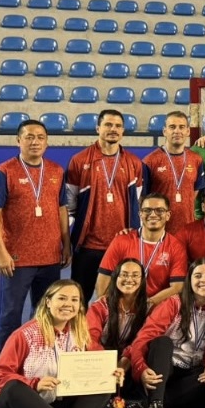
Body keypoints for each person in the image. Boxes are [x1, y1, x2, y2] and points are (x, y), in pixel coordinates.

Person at [0, 280, 118, 408]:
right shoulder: (24, 335)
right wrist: (35, 383)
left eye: (74, 300)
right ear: (48, 302)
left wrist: (112, 371)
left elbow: (99, 360)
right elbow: (0, 375)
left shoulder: (80, 333)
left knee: (106, 381)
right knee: (13, 387)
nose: (68, 304)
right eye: (62, 298)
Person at [0, 120, 71, 361]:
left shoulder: (56, 171)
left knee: (44, 313)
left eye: (40, 137)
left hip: (50, 258)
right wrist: (0, 252)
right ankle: (3, 364)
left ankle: (37, 360)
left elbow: (62, 208)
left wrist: (66, 243)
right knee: (8, 314)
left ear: (47, 141)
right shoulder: (4, 171)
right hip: (16, 259)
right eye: (29, 137)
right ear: (18, 141)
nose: (35, 141)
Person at [126, 259, 205, 408]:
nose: (203, 280)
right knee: (162, 342)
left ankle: (154, 399)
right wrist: (141, 369)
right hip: (165, 369)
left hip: (192, 371)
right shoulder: (173, 303)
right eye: (197, 275)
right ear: (189, 280)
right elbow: (143, 339)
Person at [65, 109, 144, 302]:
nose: (113, 129)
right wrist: (67, 242)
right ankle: (79, 333)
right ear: (98, 128)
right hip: (87, 246)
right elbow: (69, 207)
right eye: (108, 125)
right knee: (79, 299)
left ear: (123, 130)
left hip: (122, 245)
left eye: (117, 126)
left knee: (121, 300)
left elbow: (138, 204)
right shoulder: (80, 160)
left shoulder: (133, 163)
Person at [86, 258, 150, 408]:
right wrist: (108, 364)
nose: (129, 279)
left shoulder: (148, 308)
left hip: (128, 362)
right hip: (101, 361)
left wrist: (124, 362)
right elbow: (90, 339)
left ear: (142, 281)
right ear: (115, 278)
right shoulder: (100, 306)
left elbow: (141, 341)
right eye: (124, 275)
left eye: (135, 275)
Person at [95, 193, 188, 306]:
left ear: (168, 215)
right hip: (121, 306)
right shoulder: (121, 241)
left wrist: (148, 304)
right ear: (140, 214)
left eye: (159, 210)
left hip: (156, 307)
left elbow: (177, 287)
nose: (153, 214)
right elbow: (103, 282)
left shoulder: (176, 247)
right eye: (147, 210)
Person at [141, 111, 205, 235]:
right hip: (160, 230)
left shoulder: (196, 159)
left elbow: (195, 192)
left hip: (188, 229)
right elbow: (144, 197)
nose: (177, 131)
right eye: (172, 127)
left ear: (188, 131)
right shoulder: (150, 161)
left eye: (181, 127)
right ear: (164, 131)